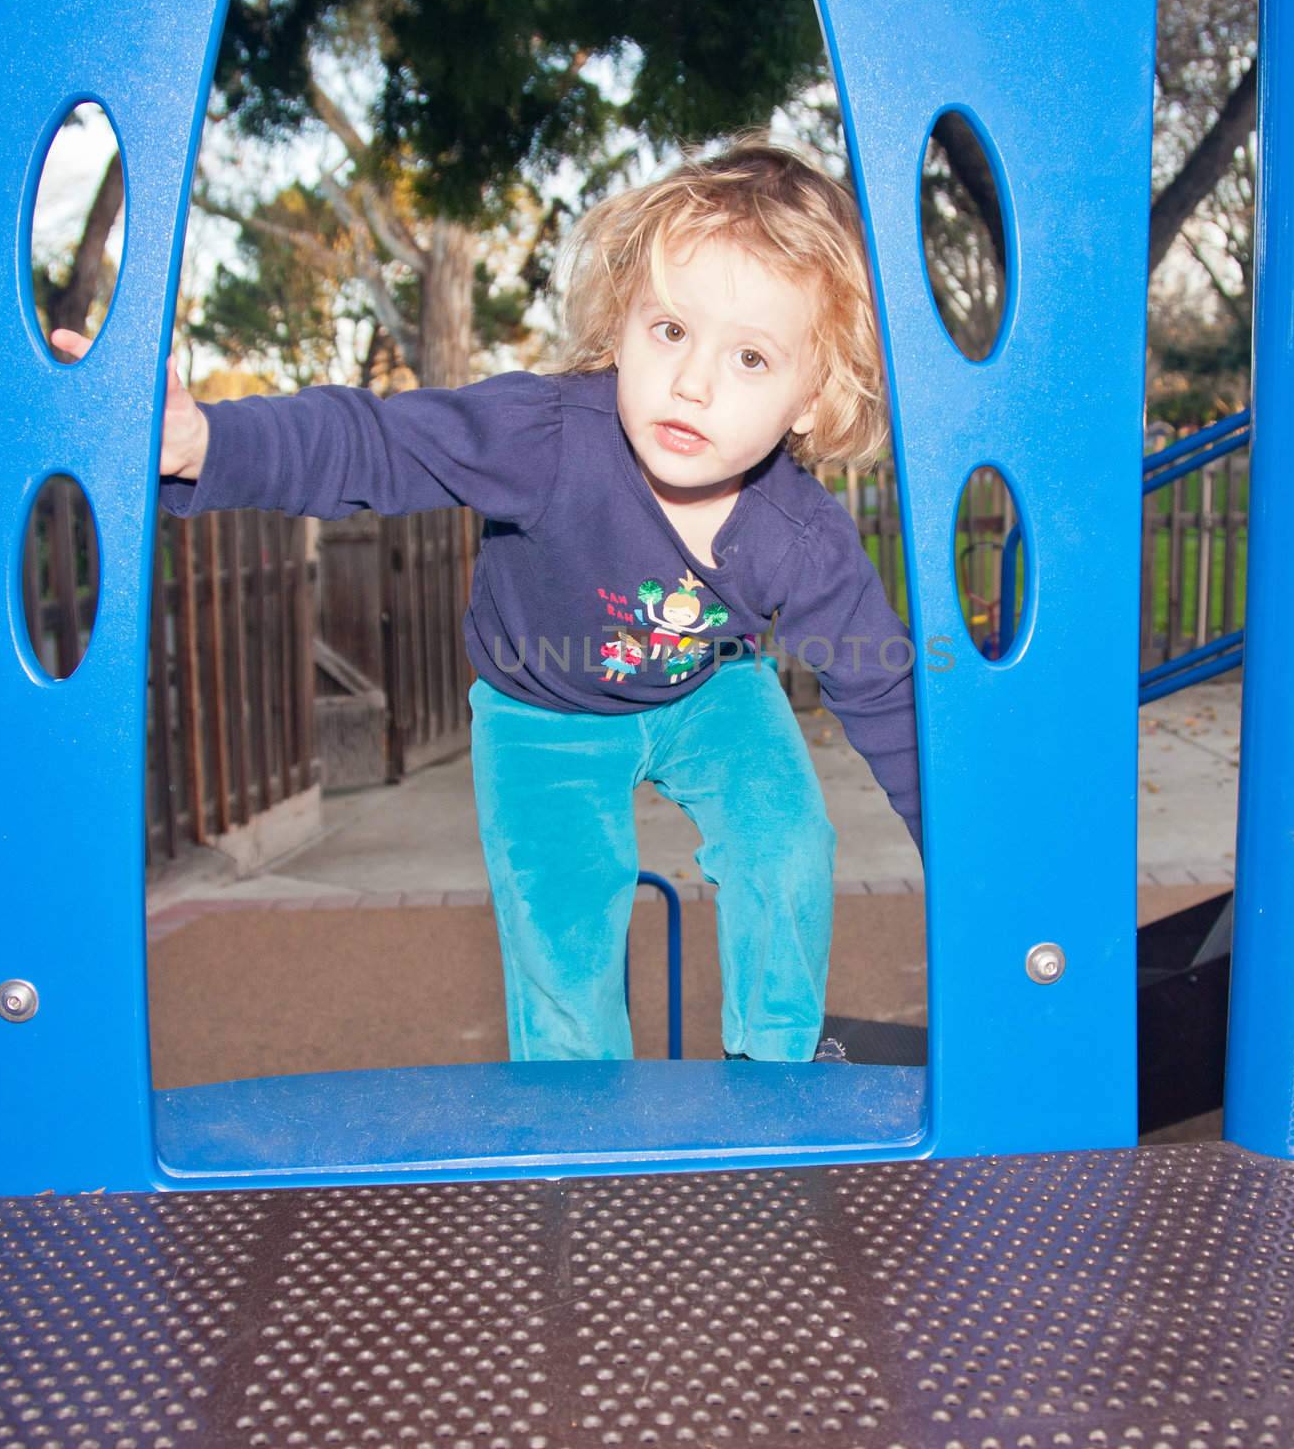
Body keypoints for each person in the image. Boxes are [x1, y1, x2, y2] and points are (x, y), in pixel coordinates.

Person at [54, 135, 922, 1064]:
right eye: (669, 330)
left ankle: (777, 1069)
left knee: (787, 838)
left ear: (810, 397)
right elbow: (375, 445)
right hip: (539, 708)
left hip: (711, 692)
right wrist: (206, 445)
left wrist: (968, 847)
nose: (693, 382)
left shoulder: (802, 536)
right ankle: (576, 1113)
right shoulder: (543, 435)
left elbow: (886, 697)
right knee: (564, 914)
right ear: (624, 323)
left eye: (751, 358)